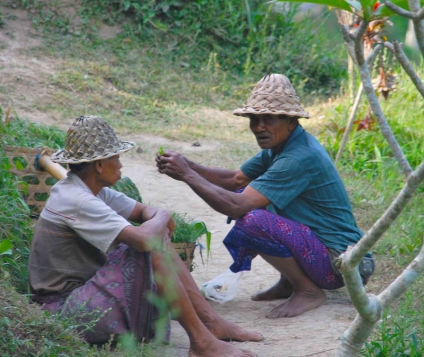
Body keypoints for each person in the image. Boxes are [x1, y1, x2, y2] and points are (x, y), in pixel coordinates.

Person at [28, 115, 261, 357]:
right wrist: (163, 216)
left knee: (155, 237)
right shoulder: (76, 199)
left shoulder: (92, 190)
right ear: (99, 165)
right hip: (63, 312)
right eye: (115, 158)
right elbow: (144, 239)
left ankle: (210, 323)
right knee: (152, 245)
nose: (120, 165)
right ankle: (202, 342)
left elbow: (141, 211)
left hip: (81, 297)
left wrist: (157, 217)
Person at [156, 74, 373, 319]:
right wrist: (188, 165)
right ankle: (290, 282)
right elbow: (235, 180)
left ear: (290, 121)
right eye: (254, 119)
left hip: (341, 264)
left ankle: (308, 291)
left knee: (253, 219)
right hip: (329, 253)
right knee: (252, 200)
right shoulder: (282, 146)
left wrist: (186, 174)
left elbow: (236, 207)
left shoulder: (297, 158)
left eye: (267, 119)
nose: (259, 127)